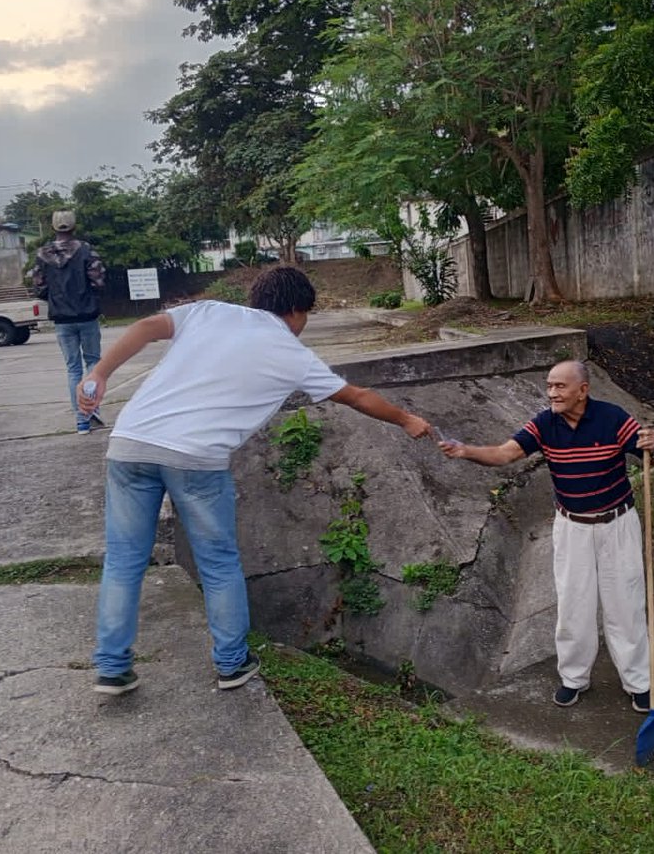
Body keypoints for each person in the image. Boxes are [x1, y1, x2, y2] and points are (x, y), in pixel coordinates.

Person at [77, 265, 433, 696]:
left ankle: (112, 667)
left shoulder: (208, 311)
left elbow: (146, 328)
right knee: (218, 563)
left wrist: (98, 373)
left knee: (123, 560)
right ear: (298, 311)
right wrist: (406, 419)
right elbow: (357, 396)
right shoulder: (292, 354)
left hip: (130, 444)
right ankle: (231, 663)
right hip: (196, 459)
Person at [438, 360, 654, 710]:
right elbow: (504, 454)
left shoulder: (613, 418)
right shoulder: (544, 424)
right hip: (572, 526)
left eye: (560, 386)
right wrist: (464, 450)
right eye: (549, 386)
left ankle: (638, 682)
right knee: (573, 605)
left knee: (626, 605)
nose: (552, 393)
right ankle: (574, 678)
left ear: (583, 390)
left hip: (618, 524)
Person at [29, 210, 106, 434]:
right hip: (87, 314)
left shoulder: (42, 254)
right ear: (74, 227)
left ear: (53, 228)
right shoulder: (86, 250)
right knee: (93, 363)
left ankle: (81, 420)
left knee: (73, 369)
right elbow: (99, 280)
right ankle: (92, 409)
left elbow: (38, 286)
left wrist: (55, 298)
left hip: (61, 318)